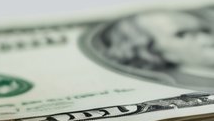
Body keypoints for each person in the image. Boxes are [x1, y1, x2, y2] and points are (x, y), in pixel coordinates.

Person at [85, 6, 214, 89]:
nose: (206, 39)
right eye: (182, 34)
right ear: (152, 51)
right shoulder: (175, 86)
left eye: (205, 31)